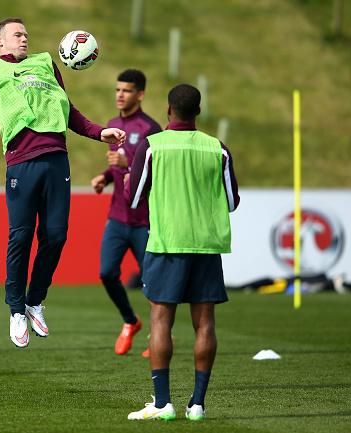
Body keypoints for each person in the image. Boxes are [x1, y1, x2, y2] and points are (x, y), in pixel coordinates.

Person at [0, 18, 125, 348]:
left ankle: (34, 301)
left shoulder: (47, 65)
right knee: (20, 237)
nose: (24, 39)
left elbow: (67, 110)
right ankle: (16, 309)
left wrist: (98, 131)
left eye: (26, 35)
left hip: (57, 159)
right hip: (21, 163)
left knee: (57, 235)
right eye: (17, 35)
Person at [126, 84, 240, 421]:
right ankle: (198, 405)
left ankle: (163, 404)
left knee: (161, 321)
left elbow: (133, 198)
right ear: (198, 112)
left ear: (168, 110)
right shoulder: (217, 148)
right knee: (205, 324)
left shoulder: (152, 145)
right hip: (206, 246)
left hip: (167, 244)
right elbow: (232, 202)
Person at [90, 69, 161, 355]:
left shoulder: (151, 129)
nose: (120, 94)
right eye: (118, 89)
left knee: (152, 283)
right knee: (107, 273)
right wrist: (105, 177)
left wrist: (127, 161)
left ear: (140, 94)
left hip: (144, 219)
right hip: (117, 217)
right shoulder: (112, 124)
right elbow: (115, 165)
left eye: (127, 90)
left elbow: (155, 171)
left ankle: (157, 337)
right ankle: (130, 321)